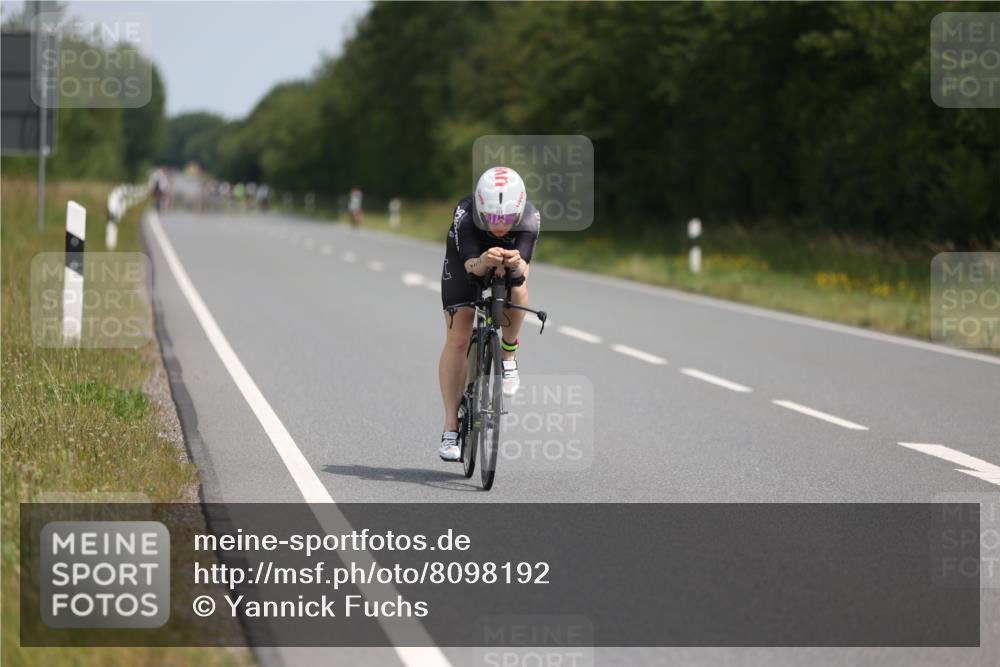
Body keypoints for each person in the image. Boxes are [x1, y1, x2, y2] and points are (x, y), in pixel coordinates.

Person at [437, 166, 540, 461]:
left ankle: (508, 354)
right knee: (459, 336)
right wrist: (483, 260)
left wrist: (516, 264)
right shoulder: (466, 214)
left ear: (518, 211)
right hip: (466, 261)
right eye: (492, 218)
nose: (499, 225)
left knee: (518, 287)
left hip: (505, 264)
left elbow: (524, 271)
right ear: (481, 209)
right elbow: (470, 267)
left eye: (507, 219)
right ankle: (450, 427)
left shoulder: (530, 218)